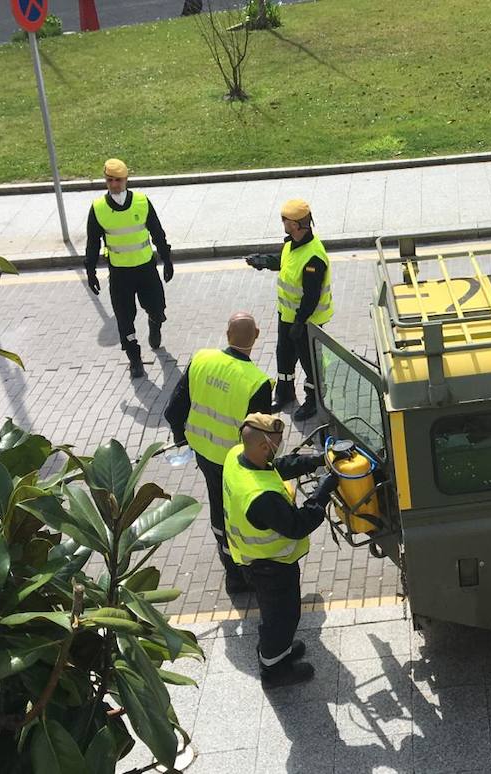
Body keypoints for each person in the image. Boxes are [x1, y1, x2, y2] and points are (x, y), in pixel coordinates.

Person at [223, 413, 338, 689]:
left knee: (280, 615)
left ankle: (279, 651)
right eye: (276, 443)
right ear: (263, 447)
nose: (280, 447)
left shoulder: (238, 454)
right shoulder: (261, 497)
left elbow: (278, 467)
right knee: (281, 618)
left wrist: (315, 461)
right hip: (269, 566)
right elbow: (298, 525)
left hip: (256, 560)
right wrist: (322, 493)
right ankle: (274, 670)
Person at [163, 312, 274, 595]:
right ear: (257, 336)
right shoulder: (257, 382)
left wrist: (183, 440)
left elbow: (173, 410)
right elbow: (264, 442)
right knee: (239, 514)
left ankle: (231, 571)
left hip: (205, 455)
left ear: (226, 334)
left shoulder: (201, 359)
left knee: (217, 507)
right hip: (236, 465)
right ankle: (245, 570)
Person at [244, 198, 333, 420]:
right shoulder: (292, 244)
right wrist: (264, 261)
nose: (282, 222)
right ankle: (285, 393)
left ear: (294, 224)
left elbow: (311, 296)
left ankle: (313, 400)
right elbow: (285, 261)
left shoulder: (314, 258)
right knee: (284, 355)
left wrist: (299, 323)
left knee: (309, 362)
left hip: (307, 321)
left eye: (284, 219)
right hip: (288, 316)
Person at [84, 158, 174, 379]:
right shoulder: (98, 209)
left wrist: (167, 258)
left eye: (118, 180)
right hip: (119, 274)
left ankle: (155, 324)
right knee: (124, 319)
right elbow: (93, 242)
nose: (114, 184)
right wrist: (90, 270)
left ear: (126, 179)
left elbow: (157, 232)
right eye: (110, 180)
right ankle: (134, 358)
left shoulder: (142, 202)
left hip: (146, 269)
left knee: (158, 308)